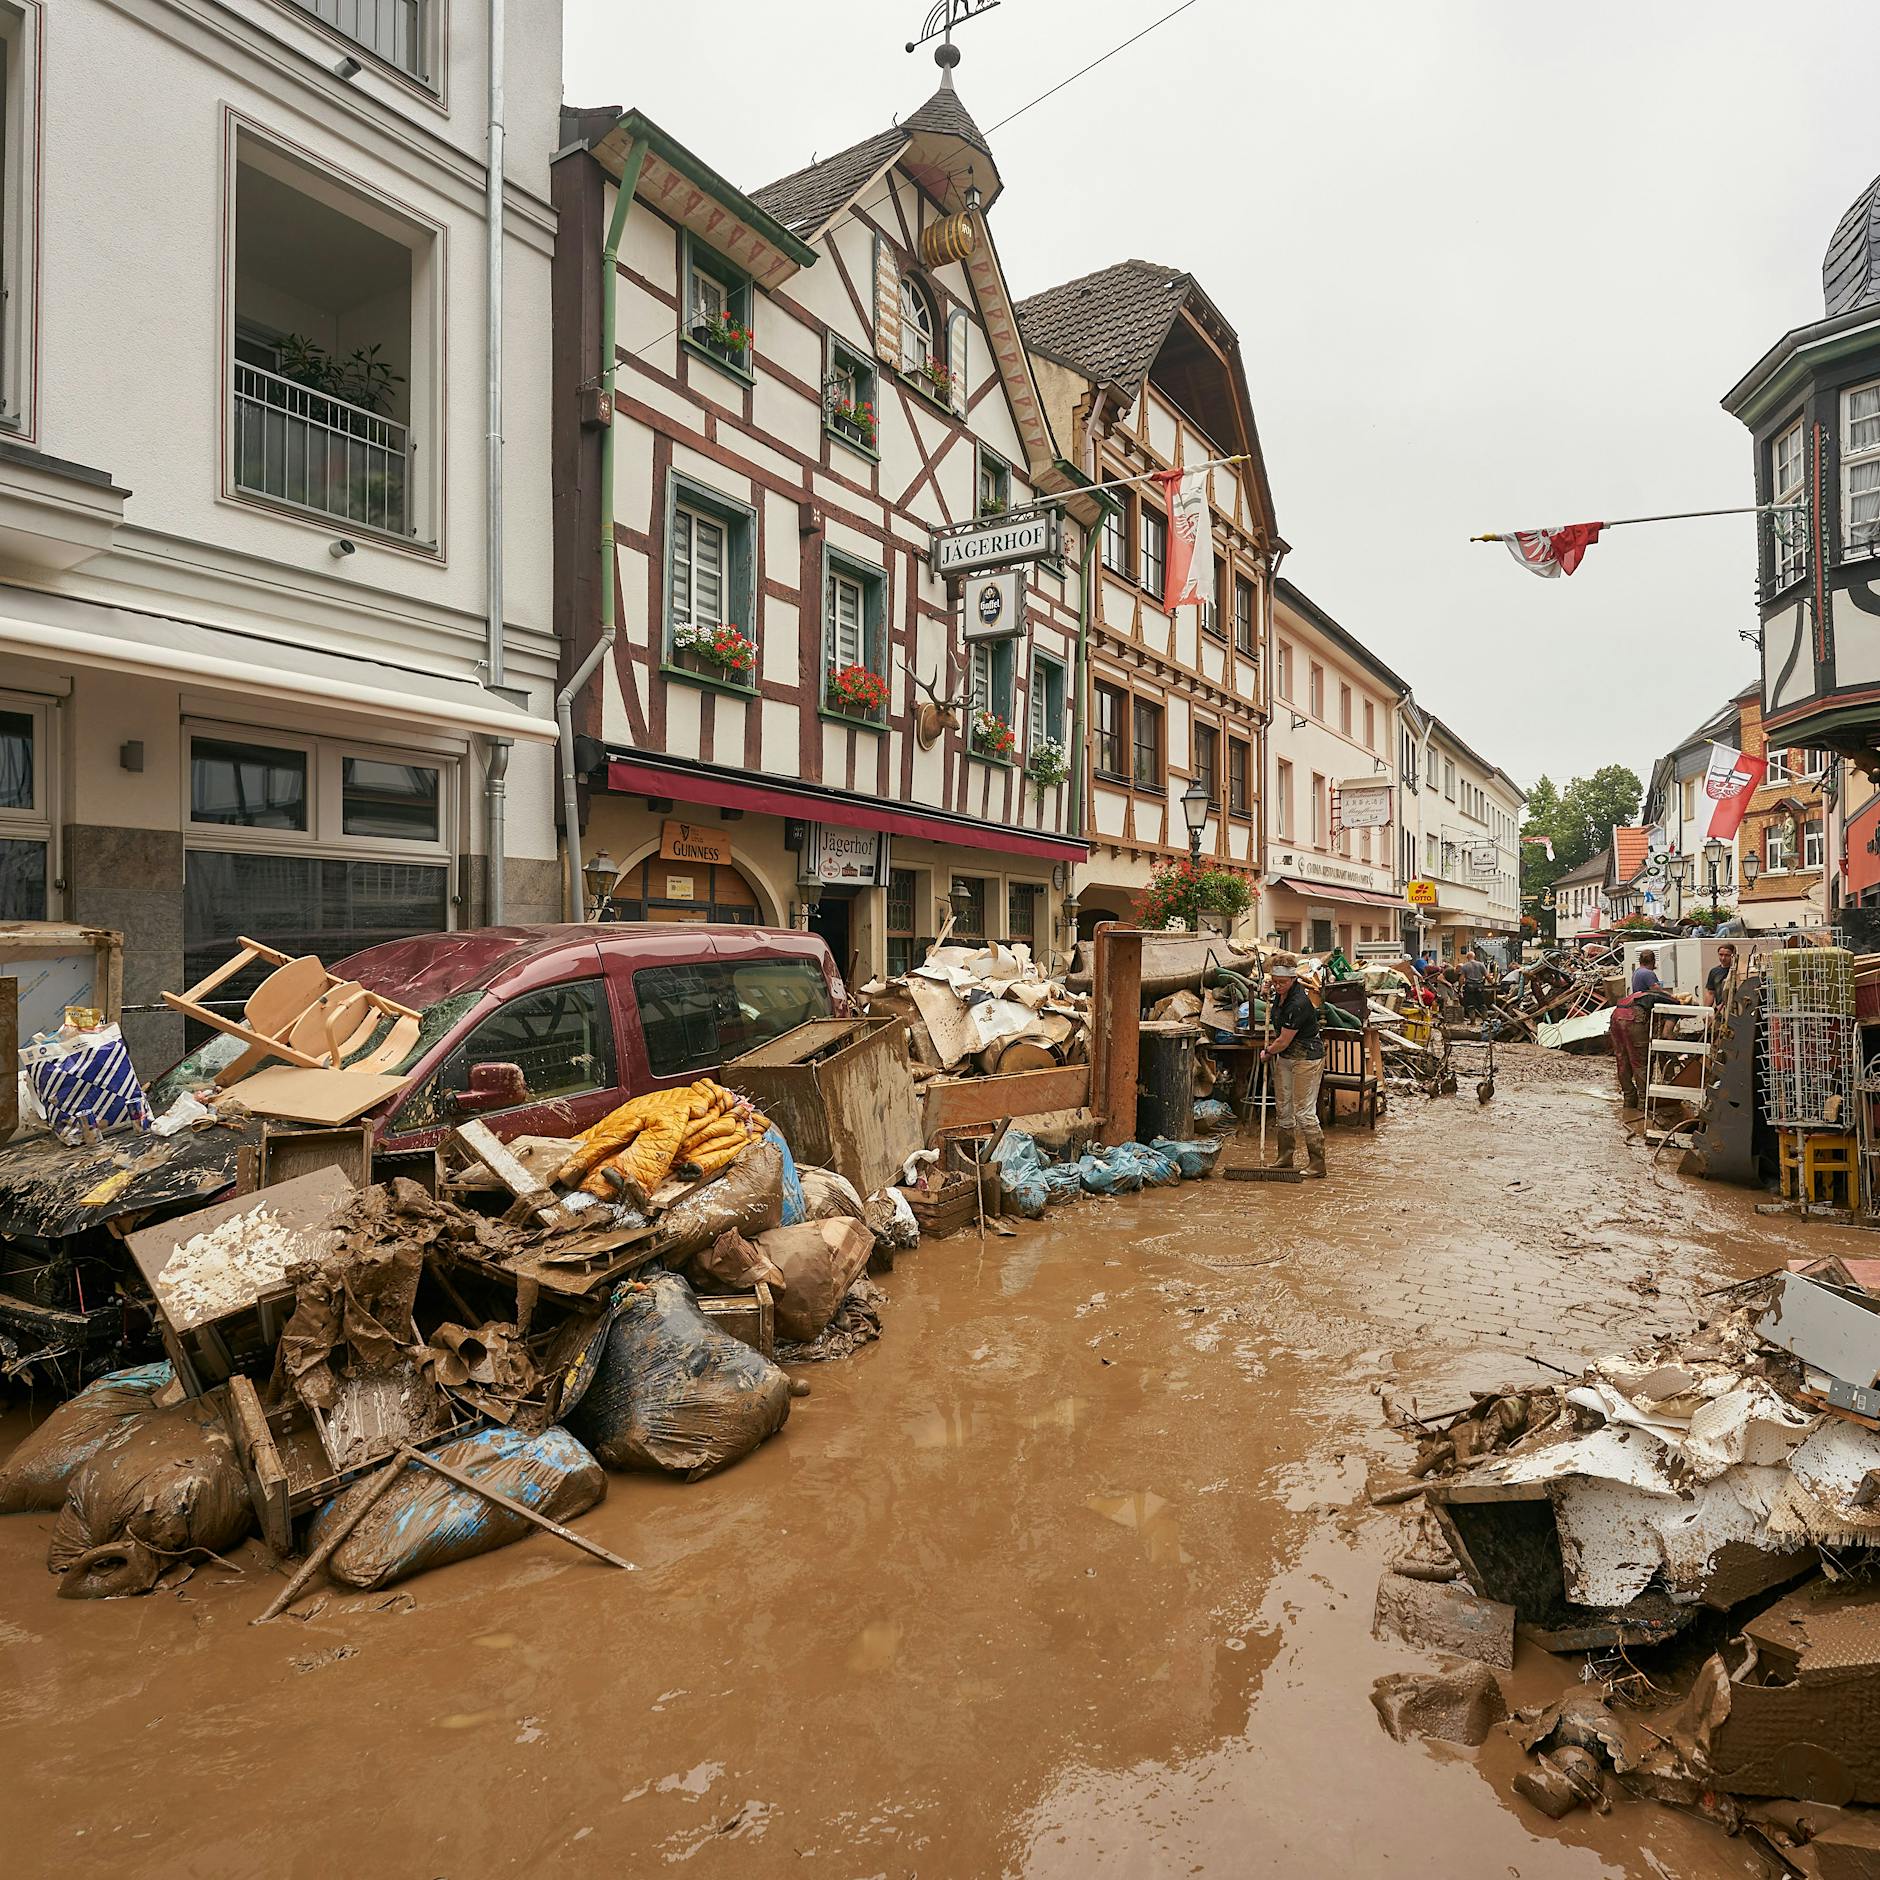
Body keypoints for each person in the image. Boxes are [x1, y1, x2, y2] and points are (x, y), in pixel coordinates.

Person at [1260, 957, 1326, 1178]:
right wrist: (1266, 991)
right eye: (1274, 981)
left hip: (1306, 1058)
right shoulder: (1280, 995)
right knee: (1283, 1108)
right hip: (1286, 1058)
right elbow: (1272, 1003)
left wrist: (1268, 1051)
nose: (1277, 986)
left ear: (1293, 979)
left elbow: (1283, 1041)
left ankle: (1317, 1164)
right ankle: (1285, 1157)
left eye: (1282, 982)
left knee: (1304, 1111)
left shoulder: (1299, 1003)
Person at [1706, 943, 1739, 1013]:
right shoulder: (1714, 972)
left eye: (1727, 955)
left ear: (1733, 956)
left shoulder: (1740, 971)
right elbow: (1710, 993)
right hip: (1720, 1011)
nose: (1723, 958)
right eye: (1721, 955)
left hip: (1736, 1011)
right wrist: (1706, 1012)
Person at [1459, 947, 1488, 1016]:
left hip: (1469, 987)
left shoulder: (1465, 966)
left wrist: (1460, 987)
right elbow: (1487, 976)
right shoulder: (1481, 964)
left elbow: (1461, 978)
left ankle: (1472, 1020)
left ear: (1467, 957)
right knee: (1482, 1003)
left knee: (1470, 1004)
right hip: (1479, 986)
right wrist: (1493, 983)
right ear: (1474, 957)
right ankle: (1485, 1017)